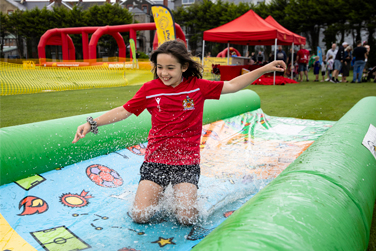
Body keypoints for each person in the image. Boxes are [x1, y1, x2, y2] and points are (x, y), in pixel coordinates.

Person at [72, 40, 286, 226]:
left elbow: (232, 85)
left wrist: (263, 68)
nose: (164, 73)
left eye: (170, 68)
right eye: (160, 67)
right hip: (156, 159)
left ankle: (182, 195)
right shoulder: (149, 89)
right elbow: (123, 111)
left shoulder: (197, 87)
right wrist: (92, 123)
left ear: (184, 67)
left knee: (186, 218)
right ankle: (158, 191)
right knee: (140, 215)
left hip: (186, 162)